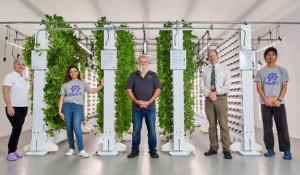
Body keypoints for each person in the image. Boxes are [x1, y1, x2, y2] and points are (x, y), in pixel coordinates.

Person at [254, 47, 292, 160]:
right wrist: (265, 100)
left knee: (282, 127)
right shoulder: (260, 72)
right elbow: (259, 88)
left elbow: (284, 87)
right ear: (265, 57)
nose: (271, 56)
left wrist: (279, 100)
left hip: (279, 103)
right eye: (268, 54)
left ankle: (286, 150)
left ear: (276, 56)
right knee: (267, 127)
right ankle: (270, 149)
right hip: (265, 103)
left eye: (273, 54)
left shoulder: (282, 70)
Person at [59, 65, 104, 158]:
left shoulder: (83, 83)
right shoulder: (65, 84)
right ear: (69, 73)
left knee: (77, 127)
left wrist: (100, 86)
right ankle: (71, 148)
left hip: (78, 107)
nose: (73, 73)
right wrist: (60, 111)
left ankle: (81, 150)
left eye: (75, 71)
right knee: (69, 128)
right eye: (71, 72)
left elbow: (91, 91)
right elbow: (61, 98)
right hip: (66, 107)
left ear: (78, 72)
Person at [125, 55, 162, 158]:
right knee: (136, 130)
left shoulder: (153, 75)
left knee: (152, 130)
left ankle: (153, 150)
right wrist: (136, 101)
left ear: (148, 63)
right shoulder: (133, 75)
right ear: (138, 63)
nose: (143, 64)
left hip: (150, 108)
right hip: (137, 108)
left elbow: (158, 89)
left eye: (145, 62)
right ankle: (135, 150)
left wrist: (149, 102)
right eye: (141, 62)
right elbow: (129, 90)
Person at [200, 50, 232, 159]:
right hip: (209, 99)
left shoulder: (225, 69)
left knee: (223, 124)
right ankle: (213, 148)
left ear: (217, 56)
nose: (212, 58)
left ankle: (226, 150)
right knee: (211, 125)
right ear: (208, 58)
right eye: (210, 56)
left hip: (221, 98)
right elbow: (202, 85)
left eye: (214, 55)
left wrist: (216, 92)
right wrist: (209, 94)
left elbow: (227, 85)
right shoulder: (205, 71)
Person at [2, 58, 34, 161]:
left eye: (23, 65)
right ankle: (11, 152)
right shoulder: (10, 77)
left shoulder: (24, 77)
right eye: (19, 64)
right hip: (13, 106)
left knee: (18, 129)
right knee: (17, 128)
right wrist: (9, 106)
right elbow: (5, 92)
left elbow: (26, 89)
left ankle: (14, 150)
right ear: (14, 65)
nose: (21, 66)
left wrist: (32, 81)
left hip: (24, 107)